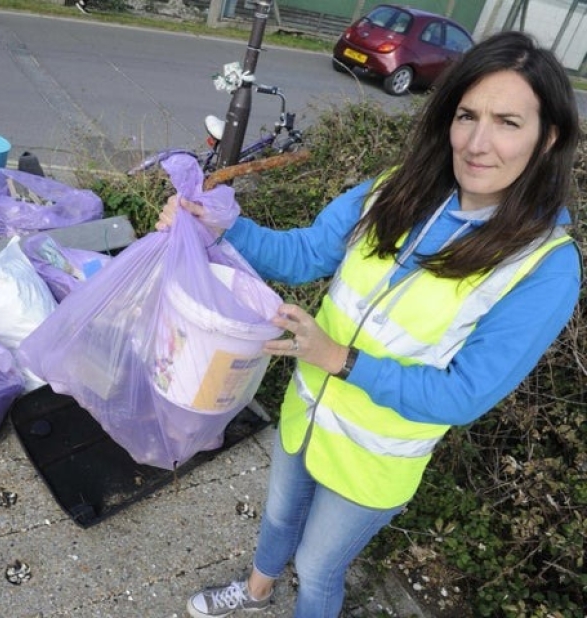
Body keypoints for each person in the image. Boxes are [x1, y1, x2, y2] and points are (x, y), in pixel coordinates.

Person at [155, 31, 582, 618]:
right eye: (467, 116)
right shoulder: (395, 189)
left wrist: (340, 359)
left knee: (318, 568)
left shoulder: (544, 266)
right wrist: (218, 226)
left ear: (548, 136)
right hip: (305, 415)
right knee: (277, 518)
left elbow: (463, 394)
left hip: (373, 463)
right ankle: (255, 594)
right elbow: (304, 254)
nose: (479, 144)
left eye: (508, 122)